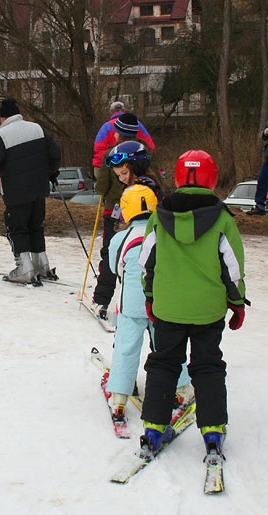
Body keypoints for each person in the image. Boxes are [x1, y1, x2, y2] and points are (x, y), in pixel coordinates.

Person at [137, 150, 247, 467]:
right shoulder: (223, 220)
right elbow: (233, 269)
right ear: (211, 179)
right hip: (208, 311)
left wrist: (150, 296)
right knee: (208, 366)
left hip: (168, 309)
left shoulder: (159, 216)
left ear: (178, 178)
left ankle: (154, 428)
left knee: (163, 364)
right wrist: (237, 304)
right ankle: (213, 430)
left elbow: (148, 263)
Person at [104, 184, 190, 427]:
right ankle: (181, 387)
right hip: (162, 302)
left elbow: (114, 268)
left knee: (126, 348)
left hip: (131, 306)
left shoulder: (120, 238)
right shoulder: (166, 233)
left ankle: (119, 397)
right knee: (168, 347)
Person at [0, 97, 61, 284]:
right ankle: (42, 265)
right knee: (35, 226)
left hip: (16, 193)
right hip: (39, 188)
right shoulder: (37, 128)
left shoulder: (2, 135)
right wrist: (51, 173)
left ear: (2, 117)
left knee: (17, 228)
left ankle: (24, 269)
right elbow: (55, 152)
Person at [91, 114, 159, 317]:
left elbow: (102, 186)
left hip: (116, 209)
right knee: (146, 252)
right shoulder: (147, 152)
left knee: (111, 253)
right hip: (147, 209)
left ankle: (101, 301)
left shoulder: (110, 155)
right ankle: (148, 296)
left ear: (117, 133)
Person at [91, 101, 156, 169]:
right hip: (137, 164)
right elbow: (150, 145)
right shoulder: (136, 124)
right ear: (123, 110)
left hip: (114, 165)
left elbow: (99, 149)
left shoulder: (106, 127)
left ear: (111, 111)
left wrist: (103, 165)